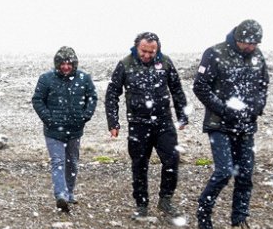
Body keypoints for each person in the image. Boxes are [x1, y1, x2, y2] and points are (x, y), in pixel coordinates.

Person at [192, 19, 270, 229]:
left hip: (246, 125)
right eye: (247, 42)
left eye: (255, 43)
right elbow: (200, 86)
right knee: (224, 171)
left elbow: (263, 85)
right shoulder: (215, 53)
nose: (251, 47)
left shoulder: (258, 56)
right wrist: (224, 110)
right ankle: (204, 211)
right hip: (219, 124)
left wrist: (257, 108)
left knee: (245, 175)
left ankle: (239, 221)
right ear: (237, 38)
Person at [105, 32, 189, 219]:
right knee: (139, 165)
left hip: (163, 122)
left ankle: (165, 200)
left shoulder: (165, 63)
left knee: (172, 160)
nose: (147, 55)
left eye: (151, 52)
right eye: (144, 51)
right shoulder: (125, 64)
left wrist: (182, 114)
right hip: (138, 124)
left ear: (157, 49)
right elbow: (112, 94)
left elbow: (176, 89)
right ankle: (141, 205)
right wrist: (113, 121)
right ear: (136, 47)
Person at [31, 46, 98, 212]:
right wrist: (49, 119)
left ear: (74, 64)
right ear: (57, 64)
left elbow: (92, 97)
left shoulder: (84, 78)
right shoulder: (46, 79)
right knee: (58, 162)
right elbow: (37, 100)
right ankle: (60, 195)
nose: (66, 67)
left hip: (75, 130)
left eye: (69, 63)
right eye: (62, 63)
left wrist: (86, 116)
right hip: (53, 131)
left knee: (72, 163)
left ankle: (69, 192)